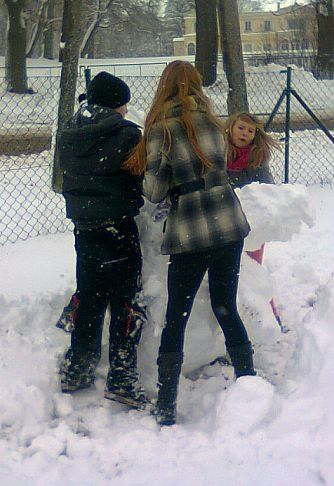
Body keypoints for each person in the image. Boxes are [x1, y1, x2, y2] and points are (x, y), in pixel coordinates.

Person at [124, 60, 255, 426]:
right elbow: (222, 165)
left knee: (176, 317)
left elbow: (153, 191)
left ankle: (166, 404)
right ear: (197, 85)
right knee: (225, 305)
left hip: (191, 231)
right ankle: (249, 383)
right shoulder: (216, 123)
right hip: (228, 222)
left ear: (163, 87)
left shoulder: (161, 130)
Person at [58, 71, 147, 409]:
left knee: (90, 295)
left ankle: (78, 367)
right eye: (123, 105)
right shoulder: (127, 134)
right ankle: (122, 377)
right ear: (115, 105)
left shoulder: (71, 131)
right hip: (119, 226)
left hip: (85, 226)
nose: (126, 111)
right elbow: (141, 178)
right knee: (126, 298)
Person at [225, 111, 280, 264]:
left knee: (250, 260)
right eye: (241, 128)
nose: (245, 133)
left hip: (249, 216)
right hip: (223, 211)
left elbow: (267, 187)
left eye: (250, 131)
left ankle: (253, 275)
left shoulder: (257, 157)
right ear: (230, 128)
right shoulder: (217, 152)